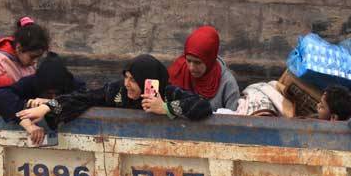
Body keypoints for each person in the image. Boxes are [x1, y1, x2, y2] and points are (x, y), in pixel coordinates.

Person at [16, 54, 212, 129]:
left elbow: (203, 106)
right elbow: (84, 97)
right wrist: (47, 108)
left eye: (133, 80)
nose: (127, 84)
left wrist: (165, 108)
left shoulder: (167, 93)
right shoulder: (117, 91)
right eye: (126, 77)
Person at [0, 53, 84, 145]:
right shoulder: (31, 83)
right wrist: (28, 125)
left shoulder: (74, 85)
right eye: (49, 94)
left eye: (57, 93)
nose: (53, 97)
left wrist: (50, 103)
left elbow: (83, 99)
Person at [168, 26, 240, 111]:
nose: (191, 68)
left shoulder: (227, 84)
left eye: (197, 62)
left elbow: (233, 118)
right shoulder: (179, 71)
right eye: (188, 60)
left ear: (210, 60)